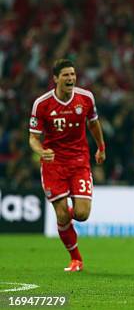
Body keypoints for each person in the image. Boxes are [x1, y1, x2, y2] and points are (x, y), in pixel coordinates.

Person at [28, 58, 106, 272]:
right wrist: (41, 151)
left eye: (73, 74)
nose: (71, 78)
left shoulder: (86, 98)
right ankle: (76, 259)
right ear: (55, 79)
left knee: (81, 214)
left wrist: (101, 147)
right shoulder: (42, 104)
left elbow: (93, 123)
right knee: (62, 215)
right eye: (66, 75)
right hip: (54, 164)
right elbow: (33, 138)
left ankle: (67, 213)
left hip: (79, 161)